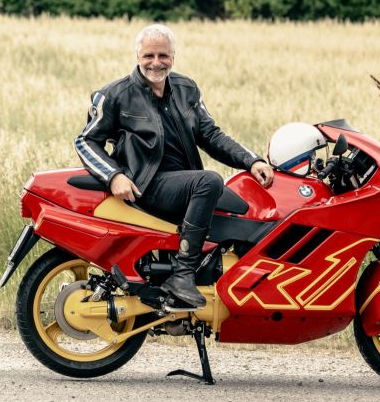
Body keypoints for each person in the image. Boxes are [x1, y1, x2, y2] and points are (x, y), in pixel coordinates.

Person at [75, 23, 274, 309]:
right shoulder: (115, 95)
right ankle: (183, 276)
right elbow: (85, 141)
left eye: (163, 56)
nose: (156, 63)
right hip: (147, 185)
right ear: (138, 56)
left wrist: (251, 160)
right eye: (149, 56)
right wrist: (114, 175)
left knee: (239, 205)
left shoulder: (186, 89)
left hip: (181, 184)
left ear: (173, 57)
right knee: (209, 181)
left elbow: (210, 135)